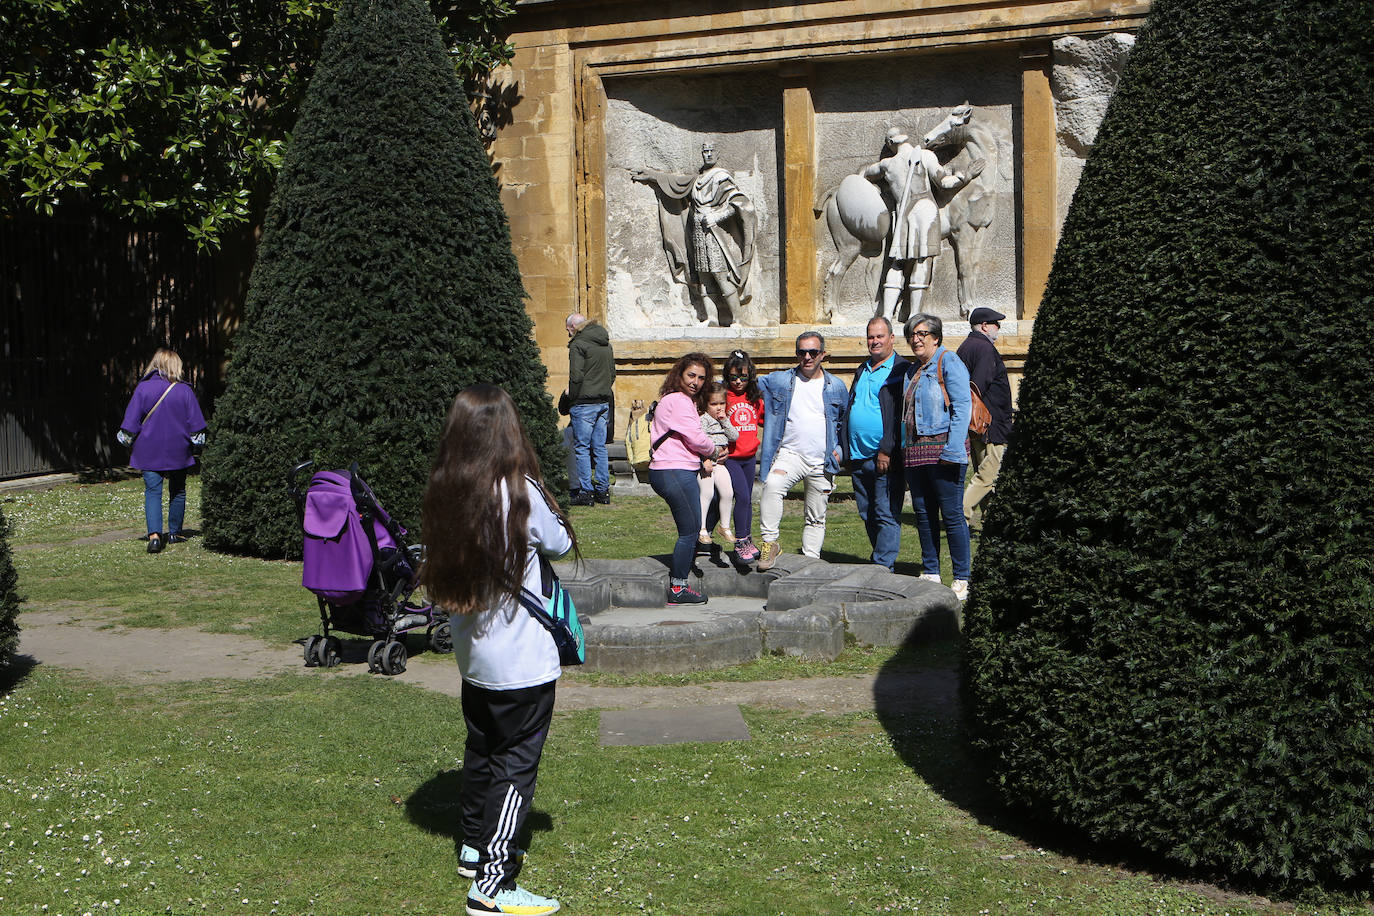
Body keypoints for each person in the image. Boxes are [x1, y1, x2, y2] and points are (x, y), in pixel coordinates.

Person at [419, 384, 575, 916]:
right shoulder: (518, 490)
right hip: (522, 661)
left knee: (483, 747)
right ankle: (493, 883)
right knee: (516, 766)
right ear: (508, 429)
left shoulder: (447, 489)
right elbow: (560, 543)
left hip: (475, 656)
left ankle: (471, 844)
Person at [882, 315, 973, 602]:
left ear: (936, 336)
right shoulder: (912, 370)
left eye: (922, 333)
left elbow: (962, 407)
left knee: (952, 516)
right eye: (912, 335)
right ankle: (931, 571)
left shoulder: (949, 362)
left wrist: (953, 449)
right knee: (923, 514)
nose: (916, 339)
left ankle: (962, 578)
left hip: (945, 452)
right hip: (915, 454)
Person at [863, 127, 983, 322]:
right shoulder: (925, 156)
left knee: (897, 262)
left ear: (890, 144)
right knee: (922, 260)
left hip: (902, 213)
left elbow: (866, 174)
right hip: (924, 210)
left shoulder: (886, 165)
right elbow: (944, 182)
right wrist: (966, 176)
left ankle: (886, 315)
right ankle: (914, 315)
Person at [631, 141, 757, 327]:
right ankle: (711, 318)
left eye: (711, 151)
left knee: (720, 274)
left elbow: (737, 203)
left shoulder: (721, 177)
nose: (708, 154)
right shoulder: (697, 179)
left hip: (714, 234)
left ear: (718, 153)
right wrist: (652, 176)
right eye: (705, 151)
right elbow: (676, 183)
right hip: (698, 232)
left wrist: (716, 216)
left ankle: (737, 319)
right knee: (703, 276)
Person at [755, 332, 849, 570]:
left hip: (823, 459)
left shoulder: (836, 386)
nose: (807, 357)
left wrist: (840, 450)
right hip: (790, 454)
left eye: (813, 352)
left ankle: (810, 563)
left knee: (816, 516)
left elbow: (845, 422)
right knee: (773, 486)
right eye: (802, 352)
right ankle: (770, 543)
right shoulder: (781, 380)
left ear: (823, 355)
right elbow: (744, 381)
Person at [117, 348, 207, 554]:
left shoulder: (143, 388)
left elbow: (130, 423)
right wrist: (197, 445)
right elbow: (197, 426)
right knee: (178, 490)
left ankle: (155, 536)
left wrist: (124, 439)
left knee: (152, 492)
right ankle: (175, 532)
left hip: (148, 449)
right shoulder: (184, 390)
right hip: (178, 448)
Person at [648, 353, 722, 604]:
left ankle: (685, 569)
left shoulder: (677, 400)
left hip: (676, 469)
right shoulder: (679, 401)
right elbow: (696, 438)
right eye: (691, 375)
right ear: (679, 374)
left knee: (703, 515)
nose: (696, 382)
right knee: (689, 530)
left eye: (702, 378)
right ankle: (678, 588)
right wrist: (713, 449)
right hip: (673, 470)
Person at [845, 317, 909, 571]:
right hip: (859, 455)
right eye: (871, 336)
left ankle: (883, 568)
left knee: (885, 512)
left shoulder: (901, 370)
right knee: (867, 513)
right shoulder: (863, 369)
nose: (875, 341)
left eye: (880, 336)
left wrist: (887, 449)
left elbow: (899, 415)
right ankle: (880, 560)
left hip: (885, 456)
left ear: (892, 338)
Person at [957, 306, 1014, 538]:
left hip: (976, 425)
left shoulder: (965, 347)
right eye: (995, 324)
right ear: (984, 326)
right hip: (991, 424)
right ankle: (960, 516)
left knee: (985, 472)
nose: (998, 328)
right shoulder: (984, 348)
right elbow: (976, 387)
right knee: (989, 475)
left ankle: (992, 524)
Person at [563, 313, 615, 507]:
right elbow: (612, 374)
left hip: (583, 403)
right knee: (599, 447)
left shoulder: (578, 344)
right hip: (603, 401)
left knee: (582, 448)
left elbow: (575, 376)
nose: (568, 333)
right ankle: (603, 491)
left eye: (568, 329)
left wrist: (574, 398)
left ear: (574, 327)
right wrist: (601, 391)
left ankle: (586, 492)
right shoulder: (605, 343)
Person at [721, 350, 764, 563]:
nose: (738, 382)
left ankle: (747, 539)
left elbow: (765, 419)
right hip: (731, 458)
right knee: (743, 497)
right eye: (733, 377)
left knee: (747, 501)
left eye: (743, 377)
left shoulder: (755, 397)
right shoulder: (723, 397)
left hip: (749, 457)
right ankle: (740, 541)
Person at [696, 383, 739, 547]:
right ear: (705, 405)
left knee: (728, 492)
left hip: (719, 464)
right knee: (706, 493)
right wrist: (704, 458)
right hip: (706, 463)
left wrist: (725, 420)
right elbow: (699, 440)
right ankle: (702, 529)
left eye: (721, 403)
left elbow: (734, 436)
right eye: (714, 404)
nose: (718, 408)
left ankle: (725, 527)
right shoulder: (704, 420)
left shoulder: (722, 419)